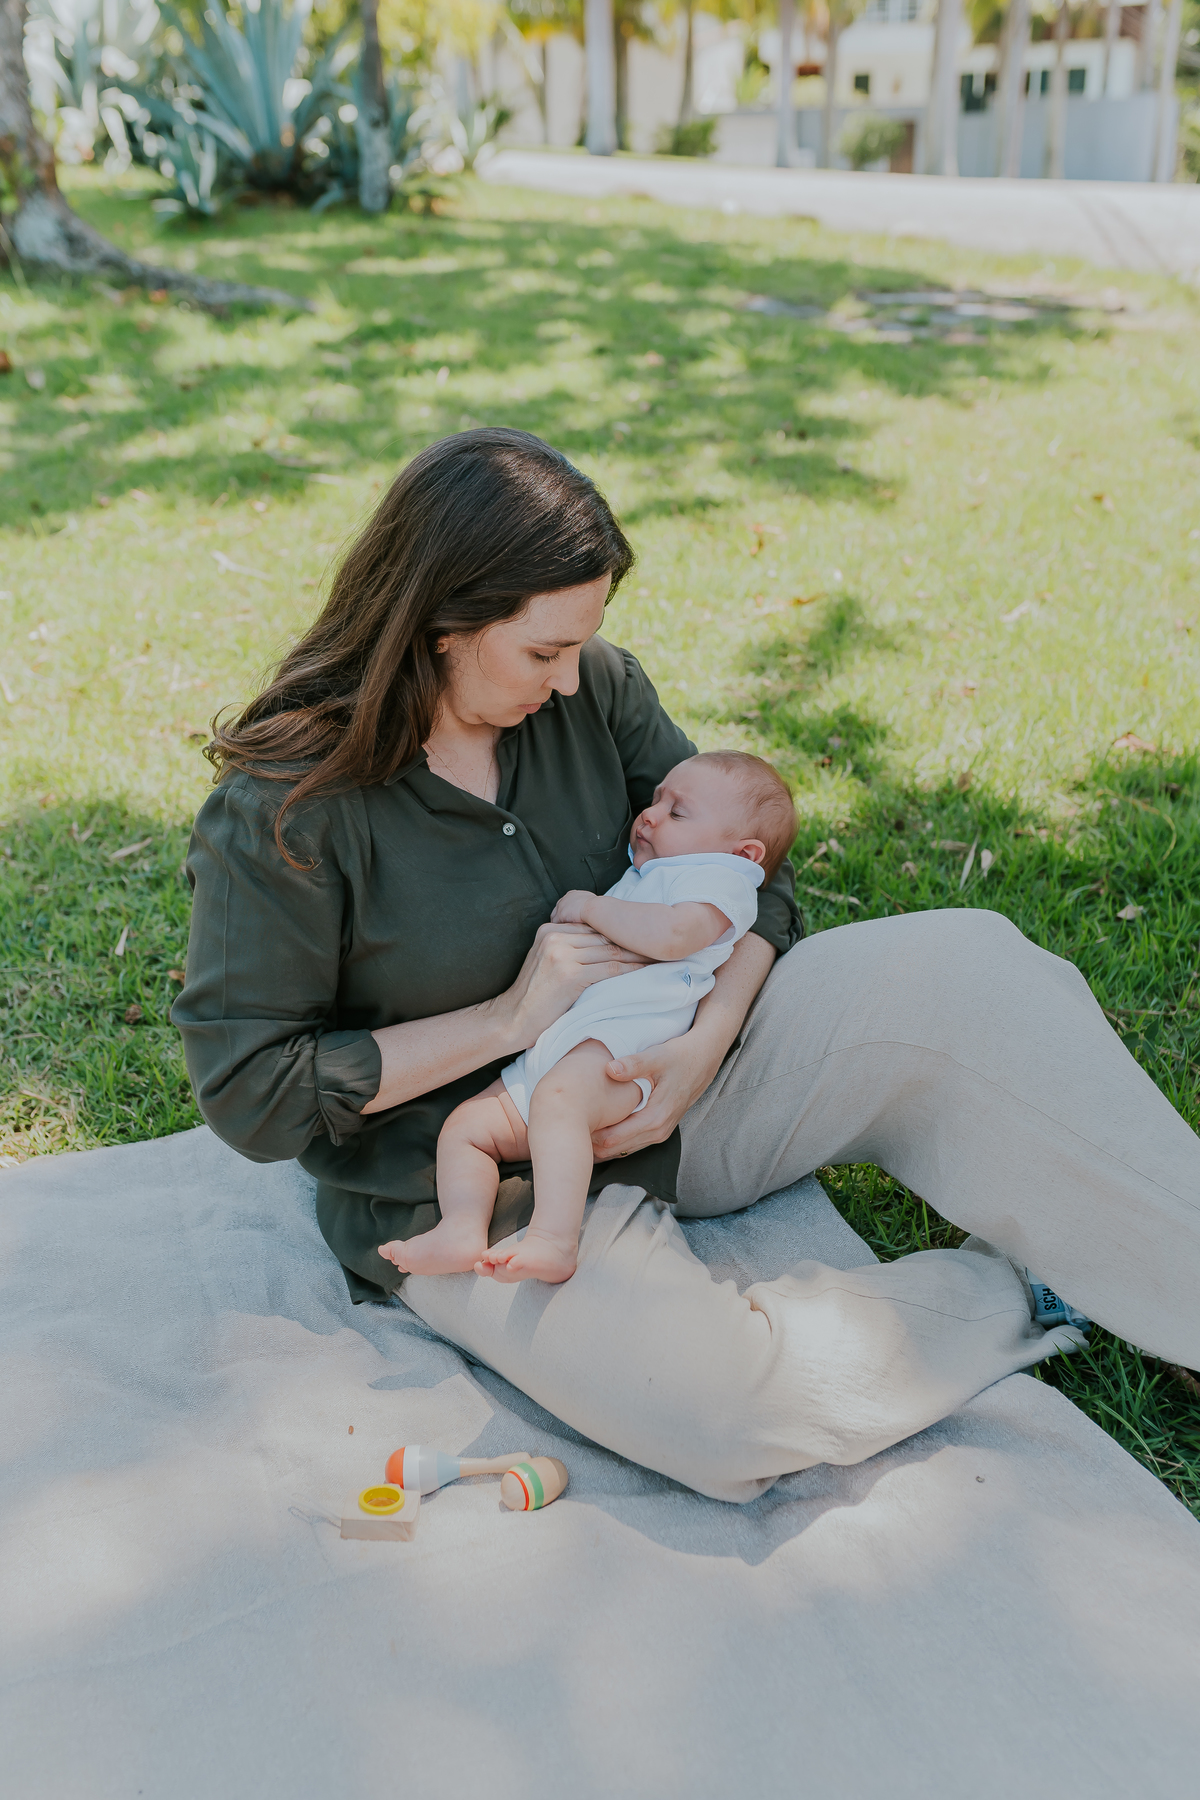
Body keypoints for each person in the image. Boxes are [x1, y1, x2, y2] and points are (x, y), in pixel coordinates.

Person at [174, 427, 1200, 1506]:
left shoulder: (596, 694)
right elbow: (255, 1096)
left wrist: (705, 1050)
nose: (572, 681)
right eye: (541, 652)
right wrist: (507, 1023)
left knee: (971, 967)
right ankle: (1028, 1293)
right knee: (726, 1418)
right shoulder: (282, 817)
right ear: (440, 625)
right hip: (495, 1181)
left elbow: (756, 877)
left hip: (691, 1083)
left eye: (584, 643)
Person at [378, 751, 796, 1284]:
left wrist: (592, 907)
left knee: (559, 1103)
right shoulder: (658, 872)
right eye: (656, 798)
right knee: (467, 1128)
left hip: (624, 1048)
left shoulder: (720, 881)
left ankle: (554, 1239)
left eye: (678, 812)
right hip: (564, 1047)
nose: (650, 814)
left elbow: (674, 936)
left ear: (744, 852)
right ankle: (462, 1226)